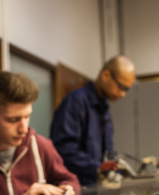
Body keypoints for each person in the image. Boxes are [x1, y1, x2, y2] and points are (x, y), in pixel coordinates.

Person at [50, 55, 136, 186]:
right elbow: (64, 149)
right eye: (121, 87)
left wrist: (115, 168)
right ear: (106, 75)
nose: (123, 94)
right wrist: (98, 169)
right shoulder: (76, 102)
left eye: (126, 90)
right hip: (76, 189)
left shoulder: (104, 109)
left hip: (96, 190)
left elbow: (107, 151)